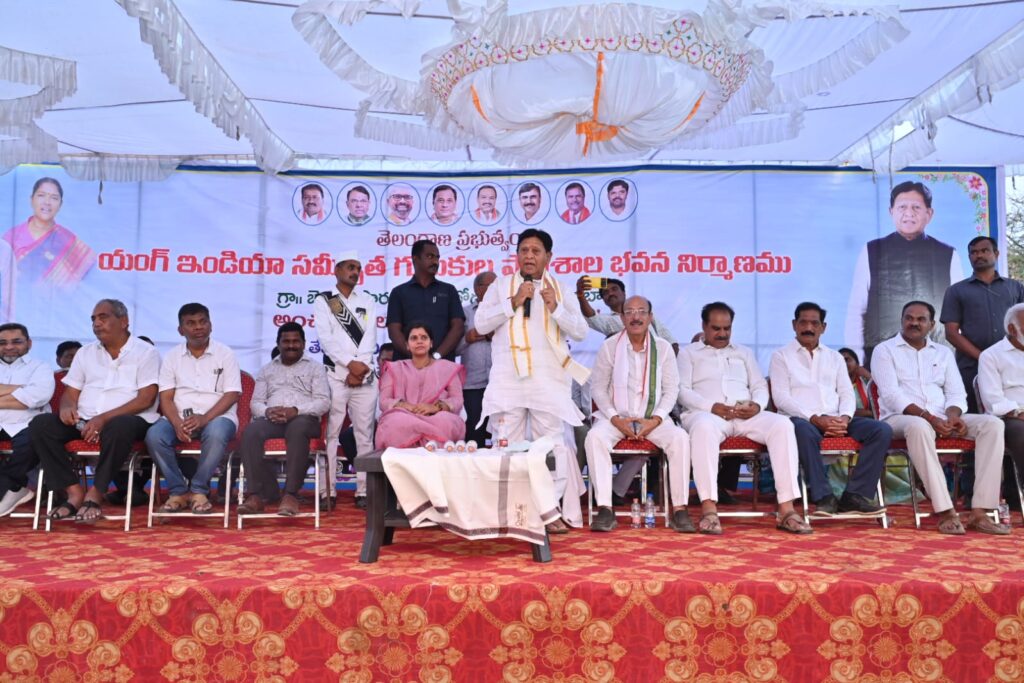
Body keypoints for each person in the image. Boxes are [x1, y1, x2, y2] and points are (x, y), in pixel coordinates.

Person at [475, 228, 590, 534]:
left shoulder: (560, 289)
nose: (529, 256)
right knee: (505, 449)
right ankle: (509, 513)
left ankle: (548, 511)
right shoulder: (501, 287)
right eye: (524, 250)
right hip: (507, 382)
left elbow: (580, 331)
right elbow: (481, 324)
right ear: (516, 255)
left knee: (552, 449)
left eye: (535, 251)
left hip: (547, 382)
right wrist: (512, 302)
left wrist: (557, 308)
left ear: (548, 257)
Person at [872, 300, 1009, 535]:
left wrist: (953, 416)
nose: (914, 323)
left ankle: (981, 511)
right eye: (909, 318)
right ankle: (945, 511)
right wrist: (930, 419)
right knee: (919, 426)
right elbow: (892, 396)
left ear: (932, 324)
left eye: (921, 319)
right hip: (899, 419)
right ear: (902, 320)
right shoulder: (884, 350)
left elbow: (956, 393)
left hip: (940, 418)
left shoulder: (943, 352)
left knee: (992, 424)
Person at [677, 302, 811, 535]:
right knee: (703, 429)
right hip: (707, 414)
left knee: (782, 425)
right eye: (716, 328)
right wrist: (712, 407)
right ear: (704, 326)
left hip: (744, 416)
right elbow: (682, 391)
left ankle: (787, 510)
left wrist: (756, 405)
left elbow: (759, 385)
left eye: (727, 328)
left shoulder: (744, 353)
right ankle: (709, 509)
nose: (722, 334)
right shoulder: (688, 354)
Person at [31, 299, 160, 522]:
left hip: (130, 420)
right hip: (85, 420)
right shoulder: (85, 353)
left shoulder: (146, 352)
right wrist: (67, 408)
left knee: (119, 426)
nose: (96, 323)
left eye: (103, 317)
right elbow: (70, 393)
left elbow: (146, 399)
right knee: (41, 425)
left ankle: (96, 493)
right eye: (93, 319)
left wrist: (103, 419)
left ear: (124, 321)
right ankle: (74, 492)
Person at [769, 302, 889, 517]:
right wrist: (815, 418)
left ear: (823, 327)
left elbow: (846, 393)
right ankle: (824, 496)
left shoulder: (834, 357)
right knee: (801, 430)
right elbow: (781, 398)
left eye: (814, 323)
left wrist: (844, 418)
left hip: (836, 419)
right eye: (803, 322)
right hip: (802, 419)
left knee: (881, 430)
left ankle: (855, 495)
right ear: (794, 324)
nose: (808, 328)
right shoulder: (781, 356)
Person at [586, 296, 692, 532]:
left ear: (650, 317)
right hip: (616, 418)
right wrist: (615, 419)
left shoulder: (663, 348)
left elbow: (671, 389)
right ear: (622, 318)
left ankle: (680, 509)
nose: (636, 317)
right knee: (594, 438)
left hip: (653, 419)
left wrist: (655, 419)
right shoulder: (609, 347)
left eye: (641, 311)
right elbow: (598, 389)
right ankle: (605, 508)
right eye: (630, 312)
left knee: (680, 438)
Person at [845, 180, 962, 366]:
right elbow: (857, 310)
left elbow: (958, 314)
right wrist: (858, 359)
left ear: (929, 213)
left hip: (934, 360)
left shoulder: (948, 254)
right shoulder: (871, 251)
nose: (909, 213)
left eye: (916, 207)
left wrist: (953, 360)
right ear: (891, 211)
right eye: (902, 207)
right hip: (880, 357)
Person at [144, 303, 241, 515]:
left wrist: (204, 418)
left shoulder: (225, 354)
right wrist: (176, 423)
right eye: (191, 323)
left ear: (211, 325)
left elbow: (232, 394)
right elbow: (166, 397)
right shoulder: (171, 357)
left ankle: (198, 490)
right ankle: (178, 491)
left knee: (216, 433)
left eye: (202, 321)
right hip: (179, 417)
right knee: (154, 435)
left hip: (217, 416)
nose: (198, 327)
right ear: (181, 330)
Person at [236, 323, 330, 516]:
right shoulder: (267, 370)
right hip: (273, 420)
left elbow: (323, 402)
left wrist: (296, 411)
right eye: (286, 341)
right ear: (278, 344)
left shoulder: (316, 368)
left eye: (296, 341)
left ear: (304, 343)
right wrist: (268, 411)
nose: (291, 345)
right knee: (251, 431)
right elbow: (255, 403)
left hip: (305, 420)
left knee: (297, 428)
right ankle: (255, 495)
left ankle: (291, 494)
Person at [313, 251, 378, 509]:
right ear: (337, 270)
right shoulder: (325, 301)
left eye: (358, 268)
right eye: (350, 267)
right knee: (330, 434)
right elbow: (326, 340)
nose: (355, 272)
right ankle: (327, 490)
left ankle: (364, 490)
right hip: (335, 376)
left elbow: (370, 338)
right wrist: (350, 366)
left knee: (365, 434)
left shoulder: (368, 300)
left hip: (363, 377)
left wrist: (359, 369)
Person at [941, 236, 1024, 413]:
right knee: (978, 419)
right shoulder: (956, 290)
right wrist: (984, 358)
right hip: (971, 366)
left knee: (1015, 414)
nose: (978, 255)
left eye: (984, 251)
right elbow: (951, 333)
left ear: (996, 253)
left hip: (1012, 365)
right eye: (974, 252)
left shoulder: (1015, 287)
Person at [375, 323, 465, 448]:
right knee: (394, 422)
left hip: (435, 416)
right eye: (414, 338)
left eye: (424, 337)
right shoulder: (394, 368)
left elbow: (457, 399)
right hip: (404, 415)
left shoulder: (447, 368)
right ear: (407, 345)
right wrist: (406, 406)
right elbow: (384, 401)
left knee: (446, 422)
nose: (419, 341)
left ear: (431, 343)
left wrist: (435, 407)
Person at [3, 177, 94, 297]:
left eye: (54, 198)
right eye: (41, 195)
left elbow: (76, 284)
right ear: (31, 200)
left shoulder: (68, 240)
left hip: (55, 305)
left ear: (60, 204)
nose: (47, 202)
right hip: (16, 304)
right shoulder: (12, 236)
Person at [0, 323, 55, 516]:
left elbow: (37, 397)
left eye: (16, 342)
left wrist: (24, 394)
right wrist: (23, 388)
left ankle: (12, 488)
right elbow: (28, 395)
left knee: (33, 440)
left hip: (28, 423)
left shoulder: (40, 367)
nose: (9, 347)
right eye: (2, 343)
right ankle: (14, 490)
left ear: (29, 343)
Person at [977, 303, 1024, 512]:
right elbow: (993, 400)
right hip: (1011, 418)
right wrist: (1019, 412)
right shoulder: (991, 356)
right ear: (1012, 329)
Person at [386, 239, 465, 362]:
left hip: (442, 363)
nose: (435, 262)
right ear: (415, 259)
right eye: (430, 256)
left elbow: (458, 327)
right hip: (408, 364)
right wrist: (416, 357)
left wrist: (436, 356)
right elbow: (394, 331)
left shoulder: (449, 290)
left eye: (437, 257)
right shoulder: (399, 292)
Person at [575, 277, 679, 354]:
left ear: (624, 293)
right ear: (604, 300)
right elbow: (591, 316)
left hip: (655, 364)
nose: (610, 293)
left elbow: (669, 340)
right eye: (606, 293)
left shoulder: (645, 311)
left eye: (614, 289)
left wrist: (666, 365)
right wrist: (580, 294)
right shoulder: (607, 320)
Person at [457, 271, 496, 445]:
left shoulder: (507, 313)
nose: (496, 290)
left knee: (502, 435)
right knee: (474, 436)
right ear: (478, 289)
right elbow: (454, 349)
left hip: (500, 384)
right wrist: (467, 338)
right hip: (472, 385)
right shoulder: (464, 313)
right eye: (492, 286)